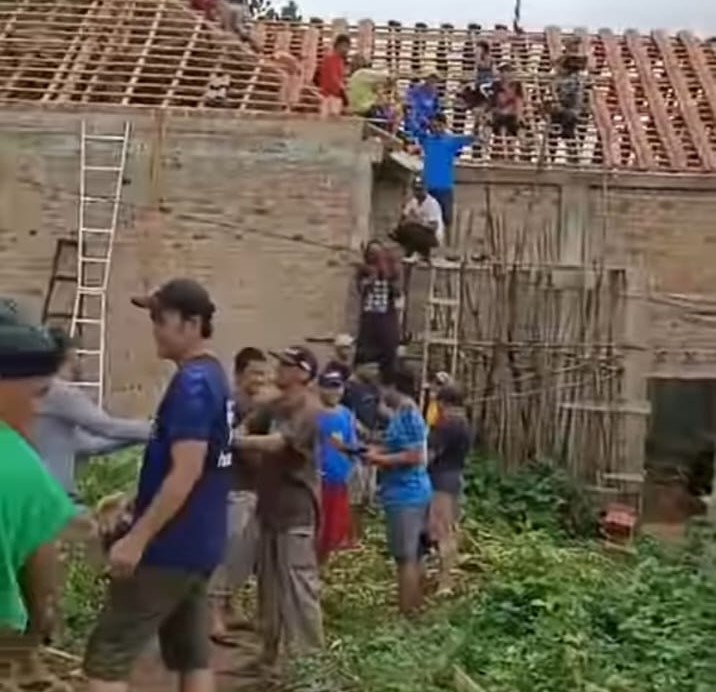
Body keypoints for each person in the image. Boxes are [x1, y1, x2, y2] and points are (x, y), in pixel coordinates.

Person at [83, 278, 232, 692]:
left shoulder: (193, 385)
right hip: (200, 543)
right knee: (191, 656)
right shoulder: (215, 377)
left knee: (106, 658)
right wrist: (138, 499)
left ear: (192, 323)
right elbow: (197, 466)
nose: (154, 329)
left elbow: (186, 470)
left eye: (160, 319)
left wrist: (137, 538)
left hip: (167, 548)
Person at [0, 299, 78, 692]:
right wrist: (40, 624)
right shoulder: (17, 464)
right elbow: (40, 569)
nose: (38, 410)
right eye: (36, 395)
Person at [234, 346, 324, 667]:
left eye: (287, 365)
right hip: (269, 507)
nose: (279, 369)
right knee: (268, 588)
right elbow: (248, 425)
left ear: (303, 373)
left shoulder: (310, 410)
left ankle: (309, 664)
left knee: (299, 588)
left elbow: (278, 443)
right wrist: (241, 438)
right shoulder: (275, 405)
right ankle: (269, 656)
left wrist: (234, 442)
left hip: (296, 510)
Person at [31, 332, 151, 506]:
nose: (80, 363)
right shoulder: (59, 392)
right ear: (67, 357)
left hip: (41, 495)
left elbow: (88, 445)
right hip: (54, 498)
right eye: (77, 356)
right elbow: (107, 427)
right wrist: (157, 429)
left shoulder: (38, 394)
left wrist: (138, 436)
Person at [209, 347, 268, 644]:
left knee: (245, 552)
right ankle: (215, 614)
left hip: (253, 487)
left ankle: (233, 606)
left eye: (263, 373)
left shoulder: (258, 405)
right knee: (227, 550)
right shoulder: (231, 405)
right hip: (232, 486)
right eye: (254, 372)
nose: (260, 379)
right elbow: (226, 444)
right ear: (239, 373)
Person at [364, 366, 432, 615]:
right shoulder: (402, 412)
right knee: (413, 554)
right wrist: (377, 451)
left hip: (407, 494)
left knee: (406, 557)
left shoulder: (409, 412)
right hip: (405, 492)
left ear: (392, 387)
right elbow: (399, 446)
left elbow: (415, 455)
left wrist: (380, 460)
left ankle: (408, 613)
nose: (381, 393)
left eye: (383, 387)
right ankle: (414, 607)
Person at [427, 384, 471, 595]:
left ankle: (445, 583)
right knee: (450, 529)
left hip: (441, 481)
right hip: (455, 478)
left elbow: (430, 454)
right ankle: (445, 577)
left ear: (443, 402)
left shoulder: (446, 424)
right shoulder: (464, 422)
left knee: (443, 532)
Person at [315, 370, 359, 563]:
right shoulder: (313, 414)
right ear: (320, 388)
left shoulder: (346, 415)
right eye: (329, 387)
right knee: (316, 529)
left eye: (337, 387)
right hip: (317, 481)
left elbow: (352, 444)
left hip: (339, 480)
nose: (334, 392)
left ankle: (322, 567)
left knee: (333, 533)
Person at [354, 241, 402, 380]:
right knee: (365, 351)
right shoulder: (363, 272)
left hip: (385, 316)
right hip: (369, 316)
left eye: (377, 253)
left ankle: (387, 378)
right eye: (371, 254)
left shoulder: (391, 272)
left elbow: (397, 292)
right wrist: (371, 277)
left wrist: (386, 275)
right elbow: (360, 289)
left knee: (387, 350)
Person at [418, 114, 473, 229]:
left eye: (438, 126)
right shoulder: (427, 140)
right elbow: (414, 130)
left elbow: (471, 138)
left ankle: (445, 244)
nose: (435, 129)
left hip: (445, 188)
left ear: (444, 125)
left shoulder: (451, 140)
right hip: (428, 187)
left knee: (446, 219)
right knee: (426, 218)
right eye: (433, 126)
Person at [390, 177, 445, 259]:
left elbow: (433, 227)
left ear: (425, 189)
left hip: (433, 236)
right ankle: (411, 251)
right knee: (400, 231)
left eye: (420, 189)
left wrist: (417, 222)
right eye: (416, 189)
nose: (418, 192)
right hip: (418, 232)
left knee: (414, 231)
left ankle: (417, 253)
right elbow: (404, 216)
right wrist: (400, 225)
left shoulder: (432, 203)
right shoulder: (413, 201)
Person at [548, 52, 586, 162]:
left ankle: (567, 158)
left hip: (567, 111)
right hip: (566, 110)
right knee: (562, 134)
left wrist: (556, 98)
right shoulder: (566, 78)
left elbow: (567, 97)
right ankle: (561, 157)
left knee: (564, 134)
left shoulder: (570, 80)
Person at [490, 63, 525, 157]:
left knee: (516, 129)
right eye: (502, 72)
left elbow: (519, 101)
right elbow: (493, 101)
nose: (504, 74)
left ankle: (514, 151)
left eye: (506, 72)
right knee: (500, 128)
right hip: (499, 114)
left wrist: (519, 115)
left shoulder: (516, 85)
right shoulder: (496, 85)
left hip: (512, 114)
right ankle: (503, 152)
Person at [315, 34, 350, 118]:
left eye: (347, 47)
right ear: (338, 45)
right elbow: (334, 79)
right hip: (331, 97)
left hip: (331, 96)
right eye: (344, 46)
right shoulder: (332, 59)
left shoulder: (338, 60)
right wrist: (344, 96)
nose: (346, 50)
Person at [404, 73, 442, 140]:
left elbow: (436, 107)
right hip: (415, 119)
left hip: (427, 121)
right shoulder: (416, 91)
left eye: (435, 80)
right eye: (431, 79)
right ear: (427, 79)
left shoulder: (434, 93)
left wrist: (433, 119)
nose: (433, 82)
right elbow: (411, 106)